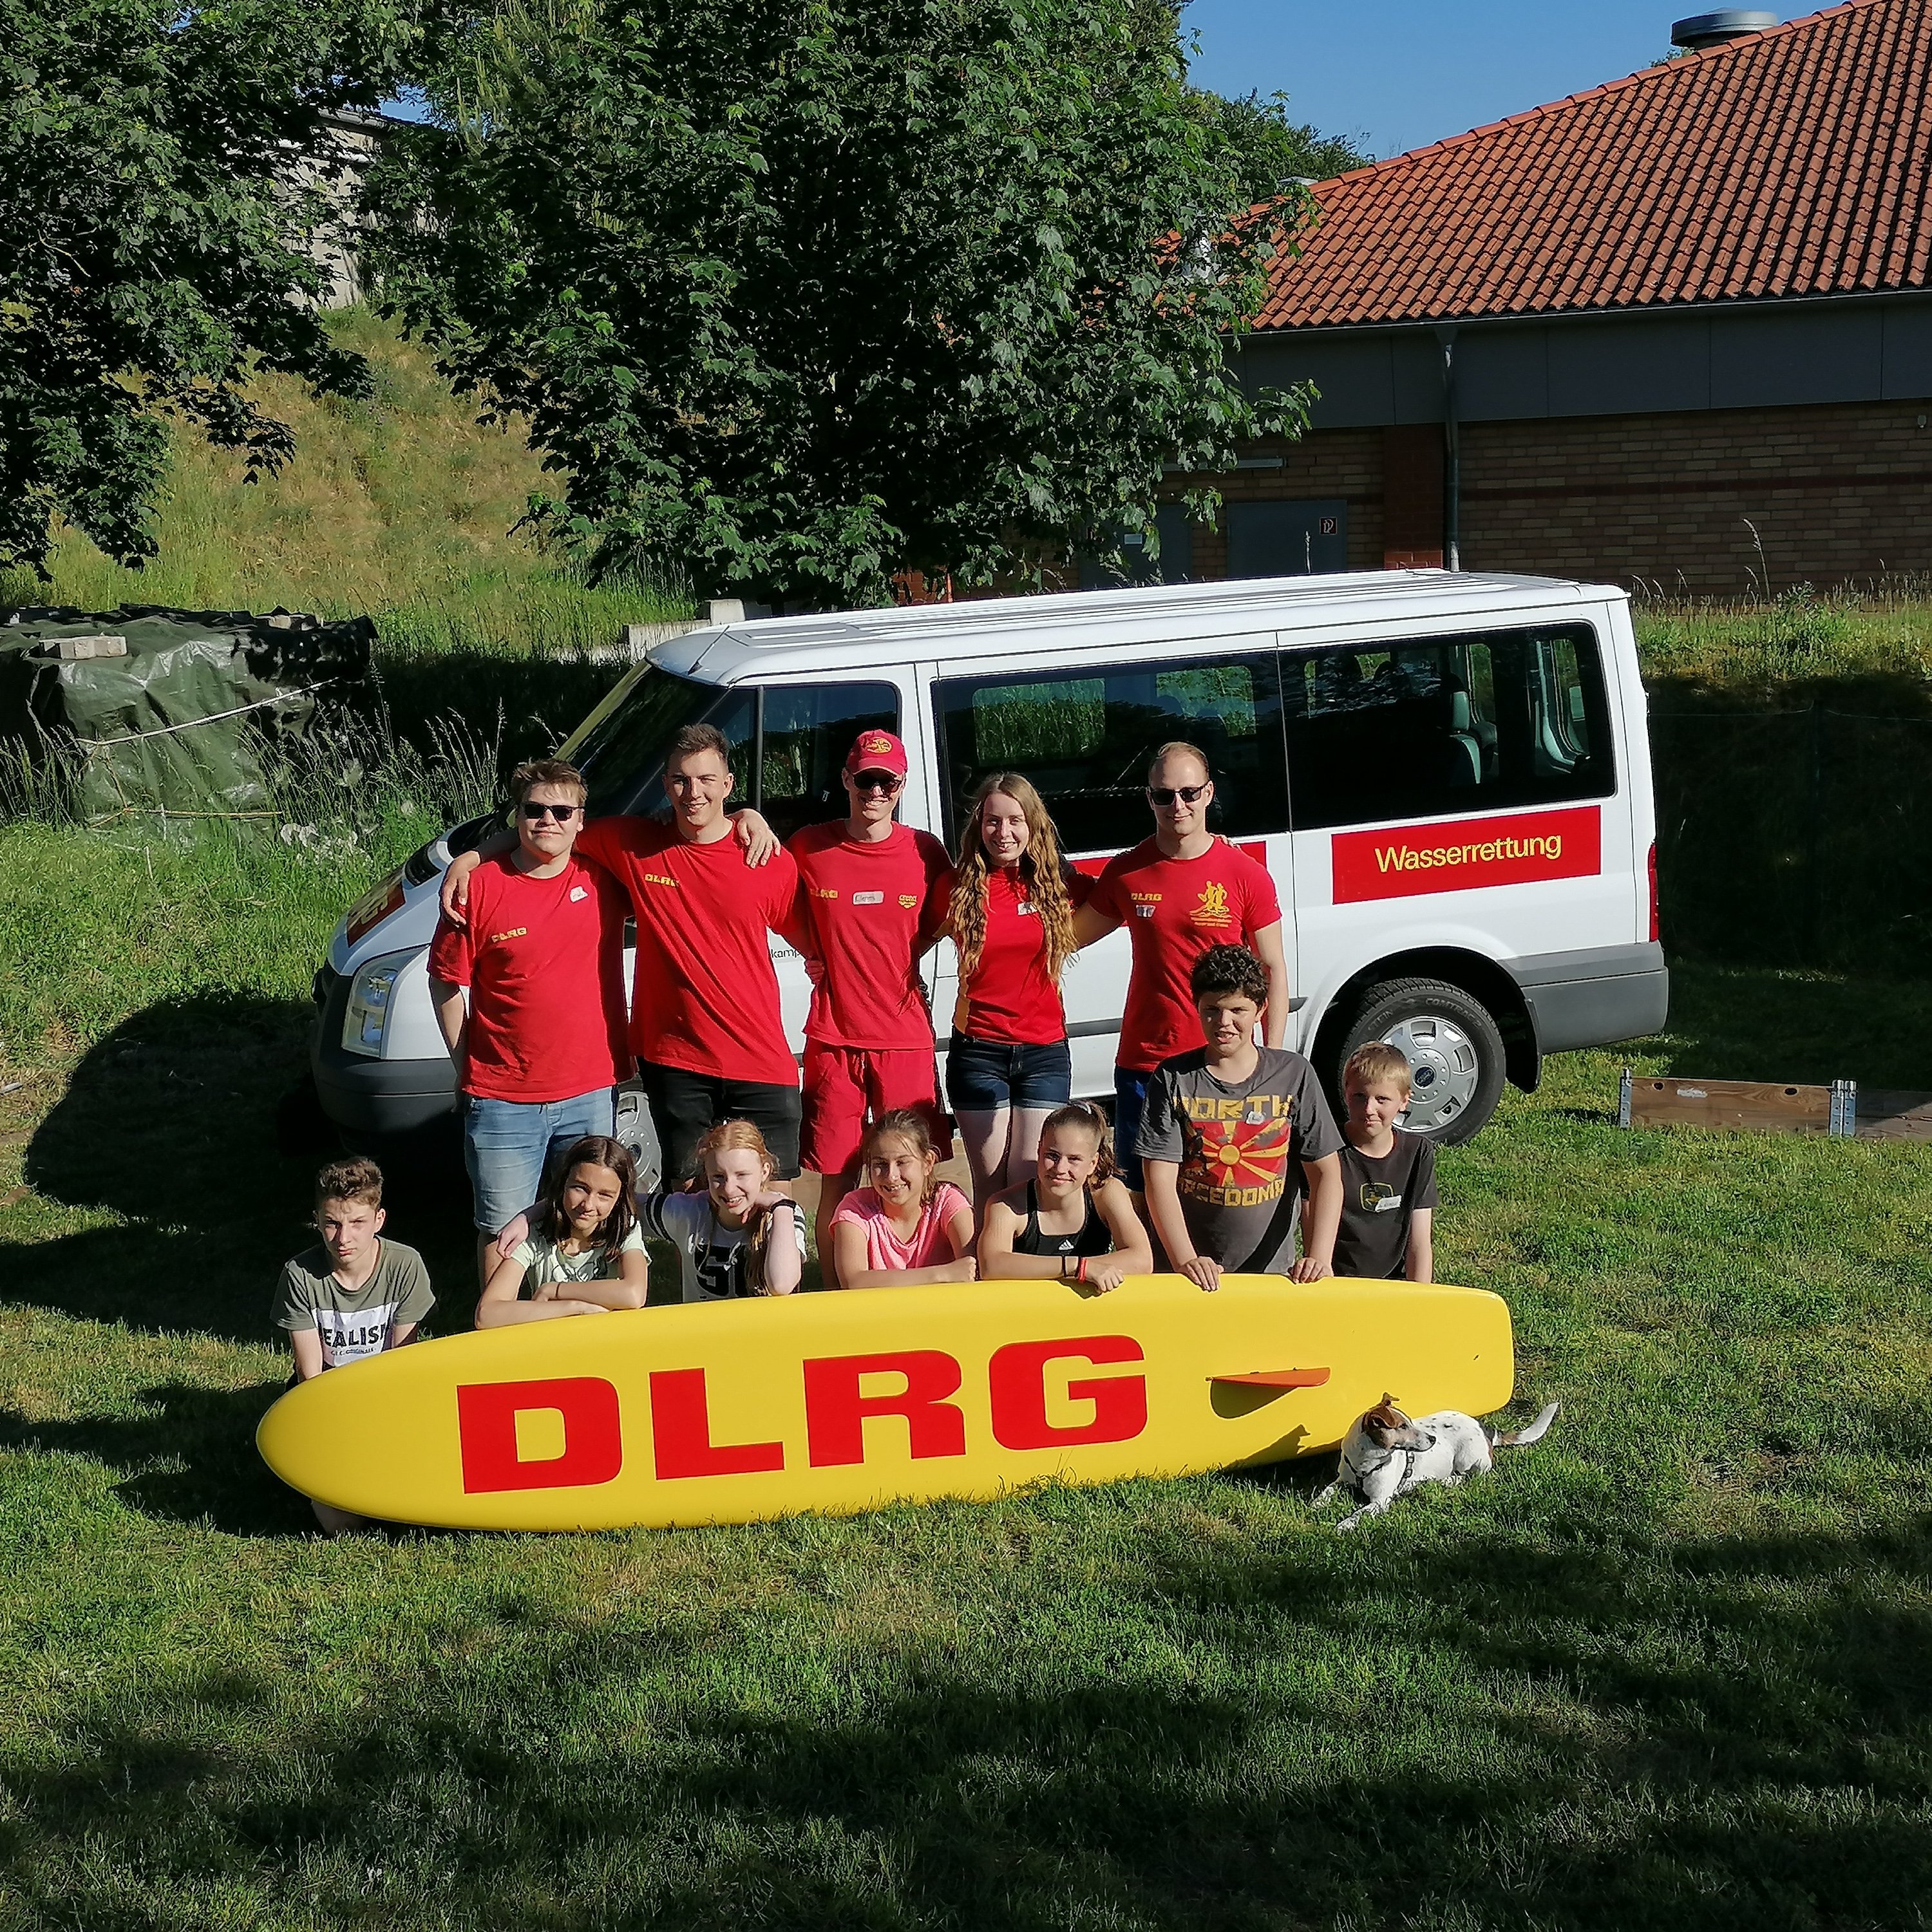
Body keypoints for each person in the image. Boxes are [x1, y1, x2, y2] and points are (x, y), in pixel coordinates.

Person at [439, 724, 796, 1186]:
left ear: (728, 785)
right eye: (682, 780)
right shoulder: (631, 843)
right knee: (690, 1199)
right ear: (665, 785)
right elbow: (549, 829)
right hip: (677, 1060)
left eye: (708, 780)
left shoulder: (763, 856)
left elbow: (814, 941)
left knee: (774, 1205)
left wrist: (755, 817)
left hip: (759, 1056)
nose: (694, 793)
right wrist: (471, 858)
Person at [428, 757, 630, 1287]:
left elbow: (683, 843)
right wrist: (464, 1062)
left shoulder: (604, 878)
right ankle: (501, 1337)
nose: (549, 821)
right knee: (501, 1229)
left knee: (586, 1220)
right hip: (501, 1099)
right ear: (516, 816)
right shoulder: (478, 888)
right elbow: (446, 982)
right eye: (535, 810)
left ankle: (574, 1322)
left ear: (581, 820)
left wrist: (750, 816)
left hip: (589, 1088)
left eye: (562, 811)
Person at [1074, 741, 1291, 1197]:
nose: (1178, 805)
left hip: (1223, 1061)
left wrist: (1270, 1056)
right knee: (1142, 1193)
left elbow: (1271, 966)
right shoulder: (1128, 872)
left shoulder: (1244, 873)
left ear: (1209, 794)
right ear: (1148, 797)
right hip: (1145, 1063)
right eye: (1164, 794)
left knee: (1220, 1189)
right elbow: (1065, 937)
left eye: (1190, 793)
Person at [786, 729, 952, 1283]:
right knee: (837, 1177)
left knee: (913, 1173)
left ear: (902, 785)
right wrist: (750, 818)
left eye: (887, 781)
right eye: (865, 779)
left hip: (903, 1036)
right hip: (833, 1037)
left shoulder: (925, 851)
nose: (875, 791)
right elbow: (766, 892)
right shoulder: (810, 846)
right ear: (846, 780)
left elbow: (935, 926)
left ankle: (921, 1283)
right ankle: (837, 1294)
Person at [1137, 944, 1344, 1291]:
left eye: (1238, 1010)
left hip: (1273, 1274)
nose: (1224, 1023)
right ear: (1197, 1007)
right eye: (1212, 1010)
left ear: (1261, 1009)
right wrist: (1185, 1260)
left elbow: (1326, 1174)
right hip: (1189, 1275)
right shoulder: (1173, 1078)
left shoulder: (1294, 1074)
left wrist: (1319, 1257)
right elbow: (1158, 1180)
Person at [945, 772, 1088, 1209]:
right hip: (978, 1053)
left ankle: (1024, 1273)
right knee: (991, 1190)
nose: (1003, 832)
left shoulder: (1062, 885)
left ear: (1033, 826)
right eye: (992, 821)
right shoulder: (956, 888)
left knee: (1030, 1185)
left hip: (1044, 1053)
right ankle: (988, 1275)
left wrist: (1209, 842)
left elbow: (1132, 888)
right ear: (978, 825)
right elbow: (899, 934)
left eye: (1015, 820)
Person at [272, 1156, 433, 1532]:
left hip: (388, 1393)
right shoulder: (300, 1274)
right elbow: (308, 1375)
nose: (343, 1238)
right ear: (317, 1219)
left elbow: (404, 1363)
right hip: (329, 1397)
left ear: (379, 1220)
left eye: (357, 1223)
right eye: (331, 1223)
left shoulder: (405, 1265)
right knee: (340, 1522)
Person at [977, 1100, 1153, 1294]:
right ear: (1039, 1150)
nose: (1060, 1169)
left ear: (1093, 1164)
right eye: (1052, 1156)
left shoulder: (1106, 1193)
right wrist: (1077, 1267)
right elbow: (991, 1266)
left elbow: (1142, 1260)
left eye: (1074, 1159)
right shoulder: (1006, 1205)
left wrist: (1079, 1268)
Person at [477, 1135, 649, 1325]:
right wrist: (575, 1308)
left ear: (619, 1199)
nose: (588, 1205)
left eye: (604, 1195)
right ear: (563, 1184)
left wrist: (555, 1291)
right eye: (580, 1188)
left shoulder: (624, 1228)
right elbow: (487, 1315)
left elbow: (634, 1294)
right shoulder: (536, 1234)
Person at [639, 1118, 806, 1301]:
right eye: (718, 1177)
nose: (729, 1189)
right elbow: (623, 1206)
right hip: (704, 1328)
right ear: (706, 1174)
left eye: (742, 1175)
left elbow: (781, 1285)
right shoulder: (689, 1212)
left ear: (764, 1171)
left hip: (764, 1329)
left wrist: (780, 1207)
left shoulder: (783, 1214)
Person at [829, 1110, 976, 1289]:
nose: (891, 1176)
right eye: (880, 1164)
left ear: (928, 1162)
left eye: (902, 1162)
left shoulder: (947, 1201)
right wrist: (943, 1274)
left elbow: (971, 1270)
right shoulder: (855, 1208)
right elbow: (854, 1282)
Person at [1331, 1041, 1438, 1282]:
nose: (1369, 1108)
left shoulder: (1417, 1153)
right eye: (1359, 1096)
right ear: (1346, 1092)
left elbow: (1419, 1243)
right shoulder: (1329, 1149)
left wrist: (1420, 1300)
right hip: (1339, 1282)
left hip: (1395, 1283)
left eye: (1382, 1099)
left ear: (1404, 1100)